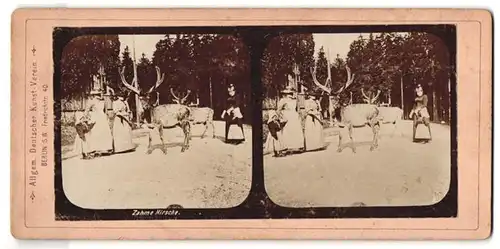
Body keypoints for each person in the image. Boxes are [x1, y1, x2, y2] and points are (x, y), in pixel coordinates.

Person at [84, 90, 113, 156]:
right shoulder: (103, 101)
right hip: (102, 117)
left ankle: (96, 148)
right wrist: (107, 117)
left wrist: (86, 117)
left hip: (96, 117)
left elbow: (86, 110)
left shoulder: (92, 101)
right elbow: (106, 111)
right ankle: (105, 148)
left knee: (96, 132)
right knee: (103, 131)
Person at [277, 86, 305, 154]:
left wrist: (300, 116)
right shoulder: (283, 100)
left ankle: (297, 146)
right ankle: (287, 147)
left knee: (296, 130)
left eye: (291, 93)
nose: (290, 95)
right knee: (288, 131)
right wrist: (282, 117)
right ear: (285, 94)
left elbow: (298, 109)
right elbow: (278, 110)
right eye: (288, 93)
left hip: (294, 116)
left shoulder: (295, 100)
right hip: (287, 116)